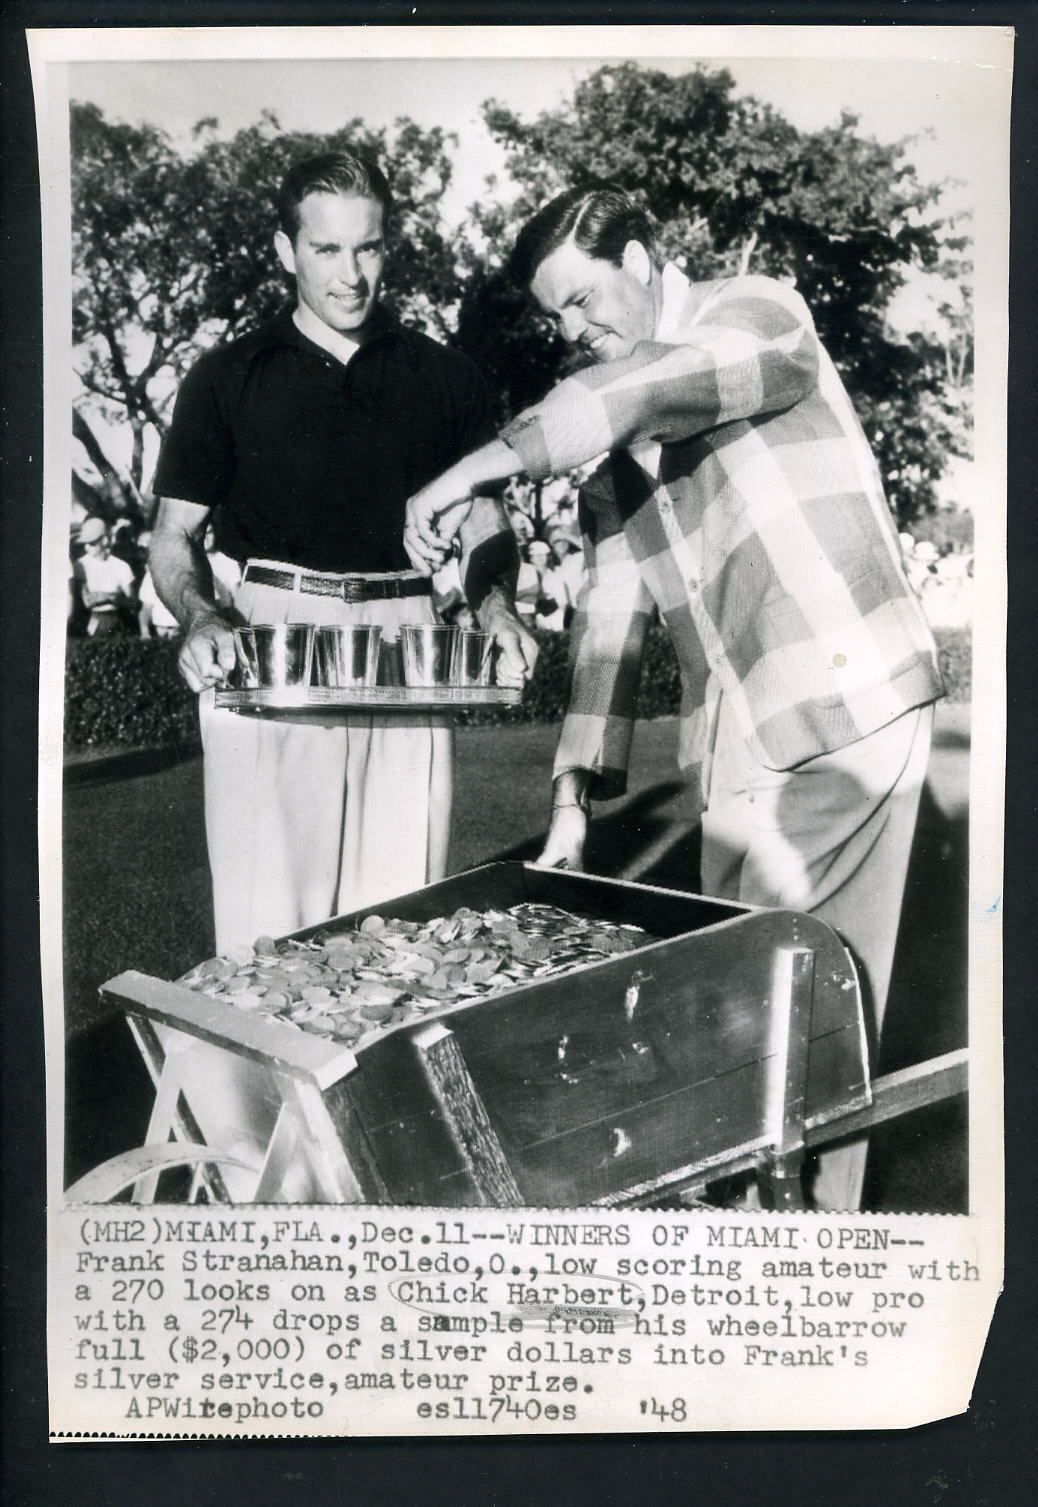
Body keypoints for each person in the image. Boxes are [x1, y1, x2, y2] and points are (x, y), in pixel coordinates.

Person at [404, 184, 945, 1211]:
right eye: (556, 316)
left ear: (645, 260)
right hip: (736, 745)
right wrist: (570, 804)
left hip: (843, 709)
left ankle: (806, 1262)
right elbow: (611, 625)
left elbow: (650, 388)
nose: (575, 330)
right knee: (742, 1022)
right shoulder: (612, 444)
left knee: (797, 1019)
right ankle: (763, 1242)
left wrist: (462, 474)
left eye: (585, 299)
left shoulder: (756, 314)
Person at [151, 151, 535, 953]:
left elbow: (484, 525)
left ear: (388, 245)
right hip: (271, 638)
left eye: (368, 247)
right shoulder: (227, 378)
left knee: (402, 935)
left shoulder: (447, 378)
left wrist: (496, 605)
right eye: (327, 249)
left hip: (407, 639)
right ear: (287, 251)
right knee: (268, 937)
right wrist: (198, 617)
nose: (351, 273)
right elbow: (174, 537)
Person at [73, 515, 138, 636]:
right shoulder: (80, 565)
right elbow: (86, 601)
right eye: (85, 543)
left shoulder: (122, 566)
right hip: (89, 622)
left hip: (118, 622)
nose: (86, 547)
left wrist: (109, 597)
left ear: (104, 540)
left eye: (91, 543)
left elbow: (133, 603)